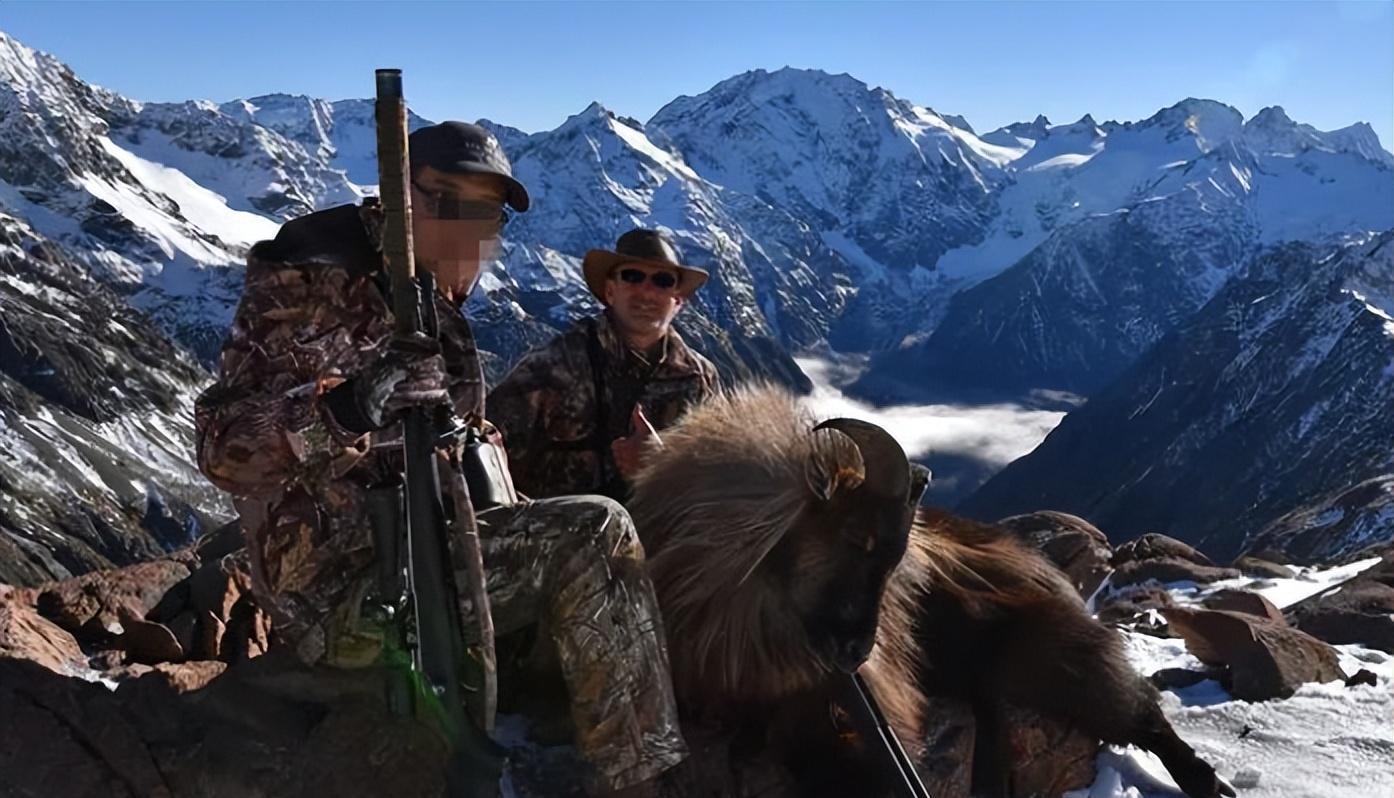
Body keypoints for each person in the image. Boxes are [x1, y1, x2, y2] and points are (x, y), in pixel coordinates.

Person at [194, 122, 685, 796]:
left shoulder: (429, 292)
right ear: (400, 198)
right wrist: (349, 408)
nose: (471, 229)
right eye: (449, 203)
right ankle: (640, 780)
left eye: (488, 214)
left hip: (433, 565)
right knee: (597, 534)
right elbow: (224, 451)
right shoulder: (315, 281)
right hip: (350, 595)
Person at [490, 229, 721, 500]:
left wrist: (660, 468)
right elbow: (486, 448)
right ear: (610, 291)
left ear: (678, 301)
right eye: (633, 276)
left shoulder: (700, 378)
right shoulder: (553, 365)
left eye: (662, 281)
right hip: (561, 536)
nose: (647, 291)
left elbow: (717, 479)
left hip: (663, 535)